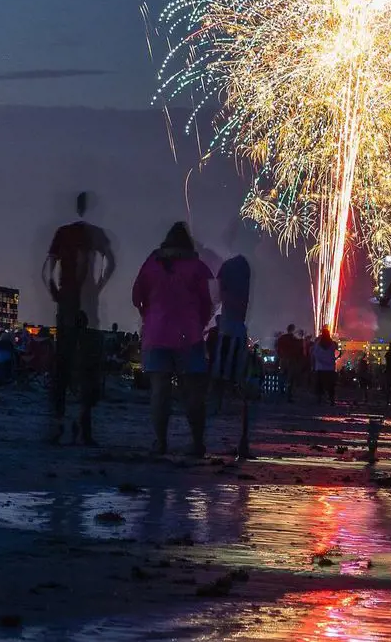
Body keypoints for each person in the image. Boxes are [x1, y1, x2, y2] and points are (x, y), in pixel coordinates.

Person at [132, 221, 214, 457]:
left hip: (156, 334)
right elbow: (210, 300)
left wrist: (149, 315)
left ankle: (160, 442)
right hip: (189, 335)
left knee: (159, 392)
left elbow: (136, 296)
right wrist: (200, 322)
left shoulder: (152, 264)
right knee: (192, 393)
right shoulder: (198, 267)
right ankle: (197, 442)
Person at [43, 191, 116, 445]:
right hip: (88, 304)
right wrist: (98, 286)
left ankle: (58, 421)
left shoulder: (62, 233)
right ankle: (84, 424)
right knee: (87, 365)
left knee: (62, 363)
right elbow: (112, 263)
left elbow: (47, 271)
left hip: (67, 304)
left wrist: (54, 291)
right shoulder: (96, 234)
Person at [210, 246, 251, 408]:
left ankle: (219, 402)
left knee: (221, 369)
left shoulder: (229, 266)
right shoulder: (244, 266)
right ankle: (232, 403)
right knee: (234, 371)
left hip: (228, 329)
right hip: (238, 328)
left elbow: (216, 295)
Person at [311, 326, 338, 403]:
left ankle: (319, 399)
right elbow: (335, 353)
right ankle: (331, 399)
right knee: (330, 385)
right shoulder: (332, 344)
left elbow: (315, 354)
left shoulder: (317, 344)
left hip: (320, 367)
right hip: (330, 368)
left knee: (319, 384)